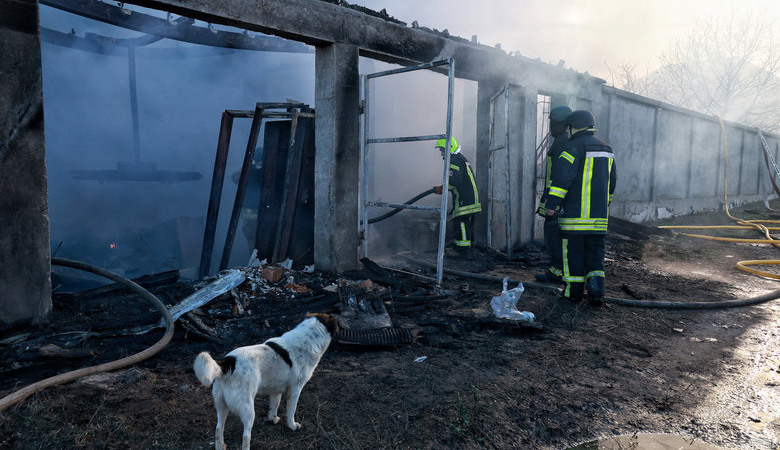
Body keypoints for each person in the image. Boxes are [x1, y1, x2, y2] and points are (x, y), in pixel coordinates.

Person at [543, 110, 616, 306]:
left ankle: (573, 293)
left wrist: (551, 206)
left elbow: (562, 181)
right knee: (595, 256)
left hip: (574, 218)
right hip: (598, 219)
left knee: (573, 255)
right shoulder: (607, 149)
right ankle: (596, 292)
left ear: (574, 127)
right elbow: (612, 183)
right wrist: (604, 205)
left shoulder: (572, 147)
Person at [535, 105, 572, 283]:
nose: (551, 127)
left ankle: (557, 273)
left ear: (563, 125)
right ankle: (557, 270)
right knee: (553, 238)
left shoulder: (563, 143)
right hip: (554, 199)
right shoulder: (560, 141)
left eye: (554, 123)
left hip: (557, 203)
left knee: (555, 238)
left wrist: (553, 204)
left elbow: (561, 177)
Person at [433, 137, 481, 254]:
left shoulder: (454, 160)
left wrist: (443, 188)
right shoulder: (459, 159)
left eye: (442, 150)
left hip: (465, 198)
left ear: (449, 149)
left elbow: (454, 180)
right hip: (466, 197)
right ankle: (457, 246)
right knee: (458, 221)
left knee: (461, 221)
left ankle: (463, 249)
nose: (441, 153)